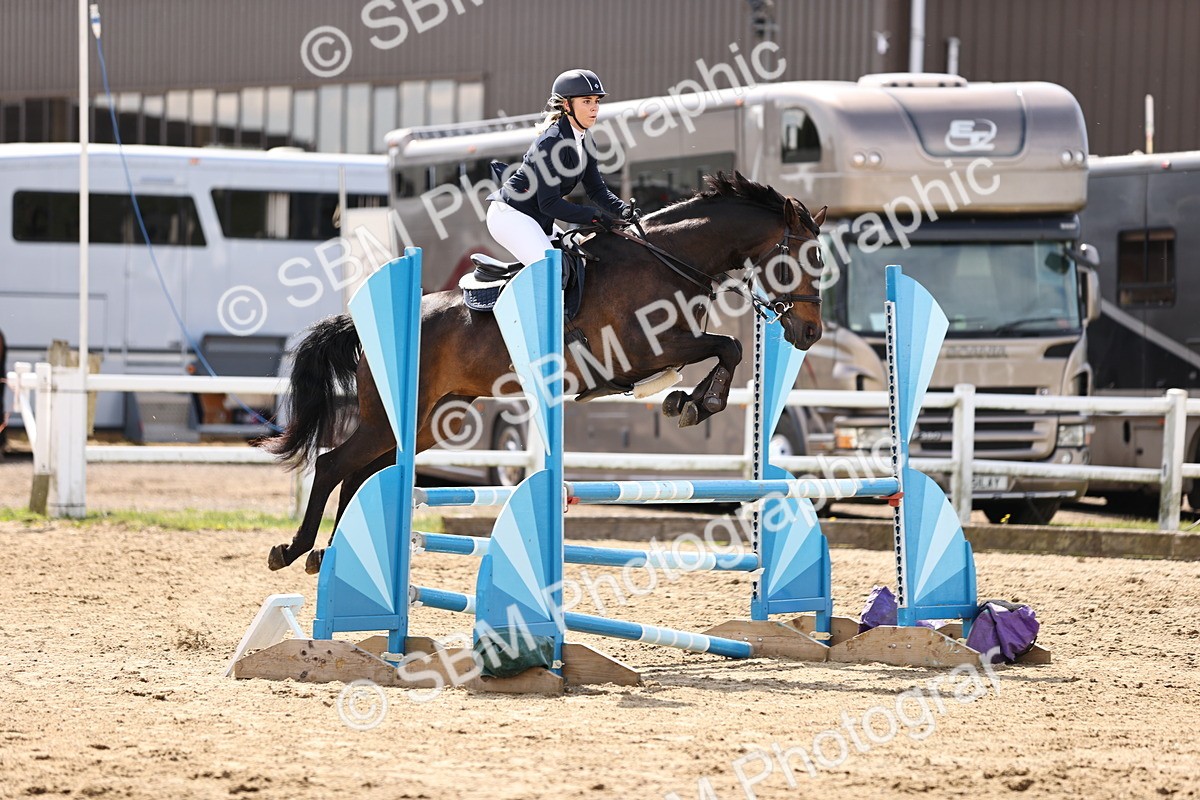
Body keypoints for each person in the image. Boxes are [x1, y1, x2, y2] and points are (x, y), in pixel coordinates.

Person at [486, 69, 631, 266]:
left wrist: (623, 210)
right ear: (566, 105)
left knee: (583, 262)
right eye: (586, 101)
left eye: (596, 101)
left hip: (538, 218)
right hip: (511, 215)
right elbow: (549, 203)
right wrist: (593, 216)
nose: (594, 108)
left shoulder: (586, 141)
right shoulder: (551, 142)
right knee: (551, 269)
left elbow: (596, 190)